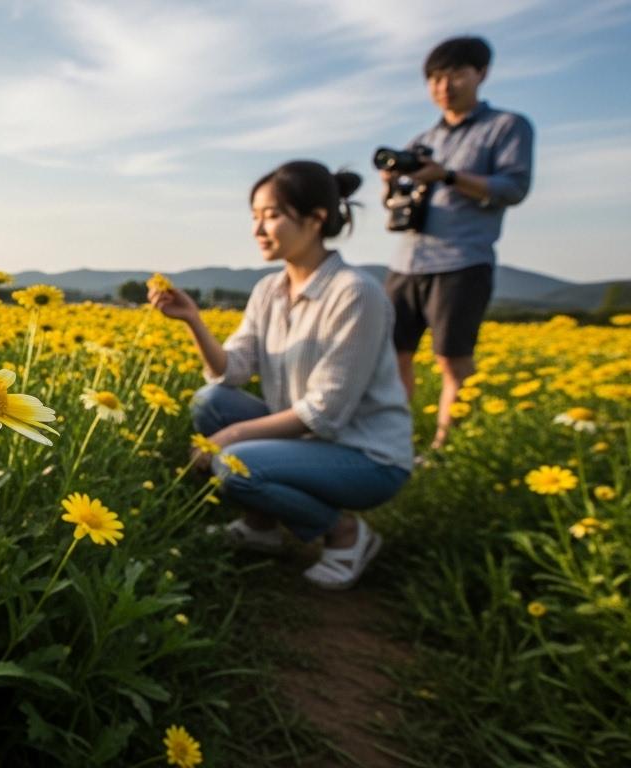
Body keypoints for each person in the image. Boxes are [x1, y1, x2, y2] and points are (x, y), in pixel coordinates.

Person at [149, 161, 412, 590]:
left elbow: (324, 414)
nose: (258, 228)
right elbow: (231, 372)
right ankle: (261, 526)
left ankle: (345, 534)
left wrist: (230, 439)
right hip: (309, 440)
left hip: (366, 456)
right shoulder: (269, 290)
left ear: (315, 219)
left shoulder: (355, 294)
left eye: (271, 215)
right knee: (209, 403)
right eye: (254, 216)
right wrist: (192, 321)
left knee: (234, 465)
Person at [382, 36, 534, 452]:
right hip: (408, 260)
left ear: (480, 74)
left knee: (452, 360)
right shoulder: (420, 141)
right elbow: (397, 208)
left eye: (454, 76)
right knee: (392, 357)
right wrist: (392, 186)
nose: (444, 87)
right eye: (434, 78)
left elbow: (513, 187)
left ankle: (446, 452)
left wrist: (447, 176)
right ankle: (391, 442)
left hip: (462, 260)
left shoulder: (505, 127)